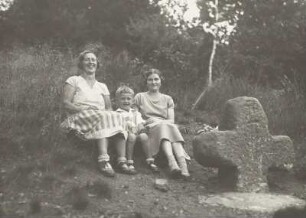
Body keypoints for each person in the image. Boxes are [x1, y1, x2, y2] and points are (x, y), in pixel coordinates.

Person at [60, 50, 130, 177]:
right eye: (87, 59)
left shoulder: (102, 86)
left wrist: (104, 113)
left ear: (97, 64)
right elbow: (66, 103)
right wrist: (84, 109)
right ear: (81, 63)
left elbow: (108, 108)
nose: (91, 62)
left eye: (93, 60)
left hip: (98, 116)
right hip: (78, 117)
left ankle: (122, 161)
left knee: (118, 116)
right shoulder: (74, 80)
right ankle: (103, 160)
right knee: (102, 116)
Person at [134, 68, 190, 178]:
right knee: (167, 127)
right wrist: (147, 123)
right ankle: (172, 161)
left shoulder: (167, 99)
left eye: (156, 79)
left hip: (165, 126)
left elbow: (171, 120)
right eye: (150, 80)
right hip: (148, 126)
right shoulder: (140, 97)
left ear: (160, 81)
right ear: (146, 82)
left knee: (167, 126)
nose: (153, 82)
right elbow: (135, 116)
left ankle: (181, 166)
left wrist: (158, 120)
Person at [115, 85, 156, 174]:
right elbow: (120, 126)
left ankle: (150, 160)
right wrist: (130, 128)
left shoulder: (135, 112)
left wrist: (144, 125)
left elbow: (140, 123)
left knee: (144, 136)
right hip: (126, 134)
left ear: (132, 101)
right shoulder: (117, 113)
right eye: (123, 99)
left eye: (128, 99)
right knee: (132, 137)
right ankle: (130, 161)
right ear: (117, 101)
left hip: (137, 131)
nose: (126, 101)